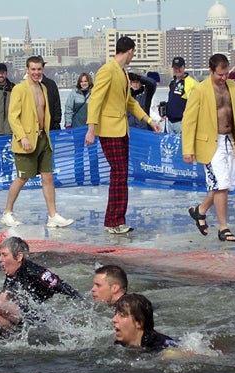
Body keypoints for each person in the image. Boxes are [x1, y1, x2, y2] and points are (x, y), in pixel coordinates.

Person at [182, 53, 235, 243]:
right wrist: (188, 149)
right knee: (221, 186)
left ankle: (200, 211)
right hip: (210, 144)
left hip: (230, 140)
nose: (223, 78)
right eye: (220, 74)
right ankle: (223, 227)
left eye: (226, 74)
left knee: (225, 184)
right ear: (211, 70)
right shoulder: (200, 90)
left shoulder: (233, 87)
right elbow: (189, 121)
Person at [85, 36, 162, 235]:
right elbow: (95, 100)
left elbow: (130, 103)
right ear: (129, 51)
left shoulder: (123, 73)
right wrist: (91, 129)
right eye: (133, 52)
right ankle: (113, 221)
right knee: (118, 173)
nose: (133, 56)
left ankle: (117, 219)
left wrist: (149, 120)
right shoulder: (107, 70)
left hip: (121, 130)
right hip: (109, 131)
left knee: (120, 174)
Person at [0, 56, 73, 229]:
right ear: (27, 69)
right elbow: (13, 116)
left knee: (48, 176)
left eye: (39, 69)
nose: (36, 72)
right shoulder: (19, 89)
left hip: (43, 138)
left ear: (42, 69)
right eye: (33, 69)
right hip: (26, 140)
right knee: (22, 177)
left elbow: (45, 113)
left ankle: (52, 215)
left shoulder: (44, 88)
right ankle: (7, 212)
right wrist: (22, 136)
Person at [65, 73, 99, 186]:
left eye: (85, 81)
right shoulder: (73, 94)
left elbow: (99, 109)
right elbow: (68, 109)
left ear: (89, 82)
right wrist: (68, 125)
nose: (84, 83)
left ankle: (95, 179)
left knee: (93, 155)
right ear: (79, 83)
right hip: (77, 129)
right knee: (78, 155)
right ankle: (79, 179)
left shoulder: (94, 93)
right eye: (81, 81)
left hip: (92, 129)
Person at [112, 293, 178, 352]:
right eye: (115, 314)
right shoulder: (118, 345)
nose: (114, 319)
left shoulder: (161, 345)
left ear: (139, 323)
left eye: (122, 315)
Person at [162, 57, 198, 135]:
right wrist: (165, 107)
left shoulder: (192, 83)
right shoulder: (172, 83)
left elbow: (196, 105)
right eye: (175, 68)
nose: (177, 70)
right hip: (170, 122)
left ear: (184, 67)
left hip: (182, 123)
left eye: (179, 67)